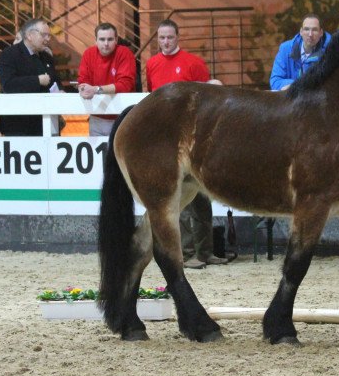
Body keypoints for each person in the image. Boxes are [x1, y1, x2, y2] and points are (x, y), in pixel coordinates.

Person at [145, 19, 227, 270]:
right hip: (166, 139)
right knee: (179, 197)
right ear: (157, 39)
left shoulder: (194, 63)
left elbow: (207, 99)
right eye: (161, 38)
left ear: (178, 38)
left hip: (193, 137)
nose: (166, 42)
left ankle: (206, 250)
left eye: (169, 37)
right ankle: (189, 252)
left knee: (202, 196)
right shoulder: (152, 64)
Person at [0, 18, 63, 136]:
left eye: (49, 36)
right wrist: (37, 80)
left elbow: (55, 81)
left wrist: (60, 91)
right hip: (19, 127)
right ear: (29, 35)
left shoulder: (47, 56)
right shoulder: (9, 55)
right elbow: (8, 85)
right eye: (44, 35)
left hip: (47, 124)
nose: (47, 39)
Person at [77, 22, 136, 136]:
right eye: (102, 39)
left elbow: (125, 85)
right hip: (96, 116)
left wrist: (96, 89)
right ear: (96, 40)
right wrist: (83, 88)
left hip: (121, 117)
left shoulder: (124, 53)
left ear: (116, 40)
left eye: (110, 39)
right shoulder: (88, 54)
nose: (106, 43)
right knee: (96, 154)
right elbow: (83, 80)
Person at [269, 13, 331, 91]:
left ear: (321, 33)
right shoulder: (285, 49)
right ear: (301, 32)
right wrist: (299, 85)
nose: (310, 34)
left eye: (314, 30)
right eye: (306, 29)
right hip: (290, 100)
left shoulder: (329, 52)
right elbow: (275, 81)